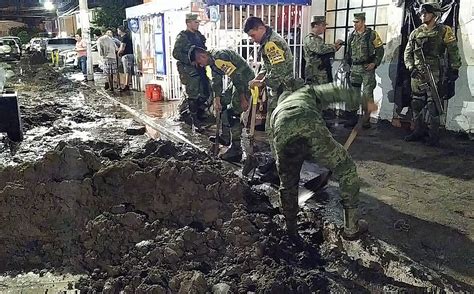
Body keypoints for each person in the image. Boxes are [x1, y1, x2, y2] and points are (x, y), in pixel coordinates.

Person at [270, 84, 378, 239]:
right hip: (309, 124)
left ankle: (291, 230)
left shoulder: (277, 111)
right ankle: (351, 228)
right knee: (345, 167)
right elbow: (336, 91)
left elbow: (273, 143)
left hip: (282, 134)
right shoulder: (305, 92)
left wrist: (284, 167)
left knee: (288, 185)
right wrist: (365, 101)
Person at [243, 16, 304, 183]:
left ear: (260, 28)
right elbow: (268, 66)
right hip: (279, 92)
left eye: (252, 35)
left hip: (283, 92)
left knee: (276, 131)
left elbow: (278, 73)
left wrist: (261, 83)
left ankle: (282, 169)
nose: (252, 40)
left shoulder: (271, 44)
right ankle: (278, 164)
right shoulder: (268, 41)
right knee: (273, 130)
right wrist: (259, 76)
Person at [403, 2, 461, 146]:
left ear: (435, 15)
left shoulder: (444, 30)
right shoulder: (415, 32)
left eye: (426, 13)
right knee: (416, 103)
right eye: (422, 13)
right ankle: (418, 131)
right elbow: (407, 53)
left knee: (433, 105)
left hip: (435, 73)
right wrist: (411, 67)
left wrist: (454, 69)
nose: (422, 16)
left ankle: (433, 136)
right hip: (417, 74)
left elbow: (453, 51)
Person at [189, 46, 255, 162]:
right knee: (223, 103)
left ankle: (236, 149)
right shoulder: (213, 61)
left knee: (232, 113)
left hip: (244, 81)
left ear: (202, 56)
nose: (200, 66)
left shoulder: (220, 57)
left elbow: (236, 76)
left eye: (199, 62)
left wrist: (243, 98)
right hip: (236, 81)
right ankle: (225, 137)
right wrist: (217, 99)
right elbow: (216, 81)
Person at [344, 12, 385, 128]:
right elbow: (348, 52)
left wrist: (374, 63)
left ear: (363, 22)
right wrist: (347, 64)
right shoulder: (352, 35)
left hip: (367, 69)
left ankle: (366, 120)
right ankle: (353, 118)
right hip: (354, 69)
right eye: (354, 22)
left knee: (367, 94)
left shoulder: (372, 34)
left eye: (357, 22)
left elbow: (380, 50)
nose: (354, 24)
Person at [173, 13, 211, 131]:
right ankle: (195, 122)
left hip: (200, 68)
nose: (197, 24)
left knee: (206, 91)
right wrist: (190, 60)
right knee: (193, 95)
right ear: (188, 23)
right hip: (189, 70)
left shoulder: (198, 35)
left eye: (198, 22)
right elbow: (176, 53)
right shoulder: (183, 37)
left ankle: (192, 114)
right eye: (195, 22)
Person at [303, 15, 343, 85]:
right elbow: (321, 49)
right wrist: (334, 46)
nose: (325, 28)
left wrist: (334, 46)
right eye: (323, 25)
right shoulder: (310, 39)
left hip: (320, 72)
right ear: (315, 25)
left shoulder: (318, 39)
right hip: (315, 74)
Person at [117, 26, 134, 92]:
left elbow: (122, 48)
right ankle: (128, 84)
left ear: (121, 30)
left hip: (126, 56)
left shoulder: (124, 38)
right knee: (129, 70)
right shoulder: (128, 36)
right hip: (131, 54)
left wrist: (118, 53)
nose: (117, 31)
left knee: (126, 71)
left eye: (118, 30)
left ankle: (126, 85)